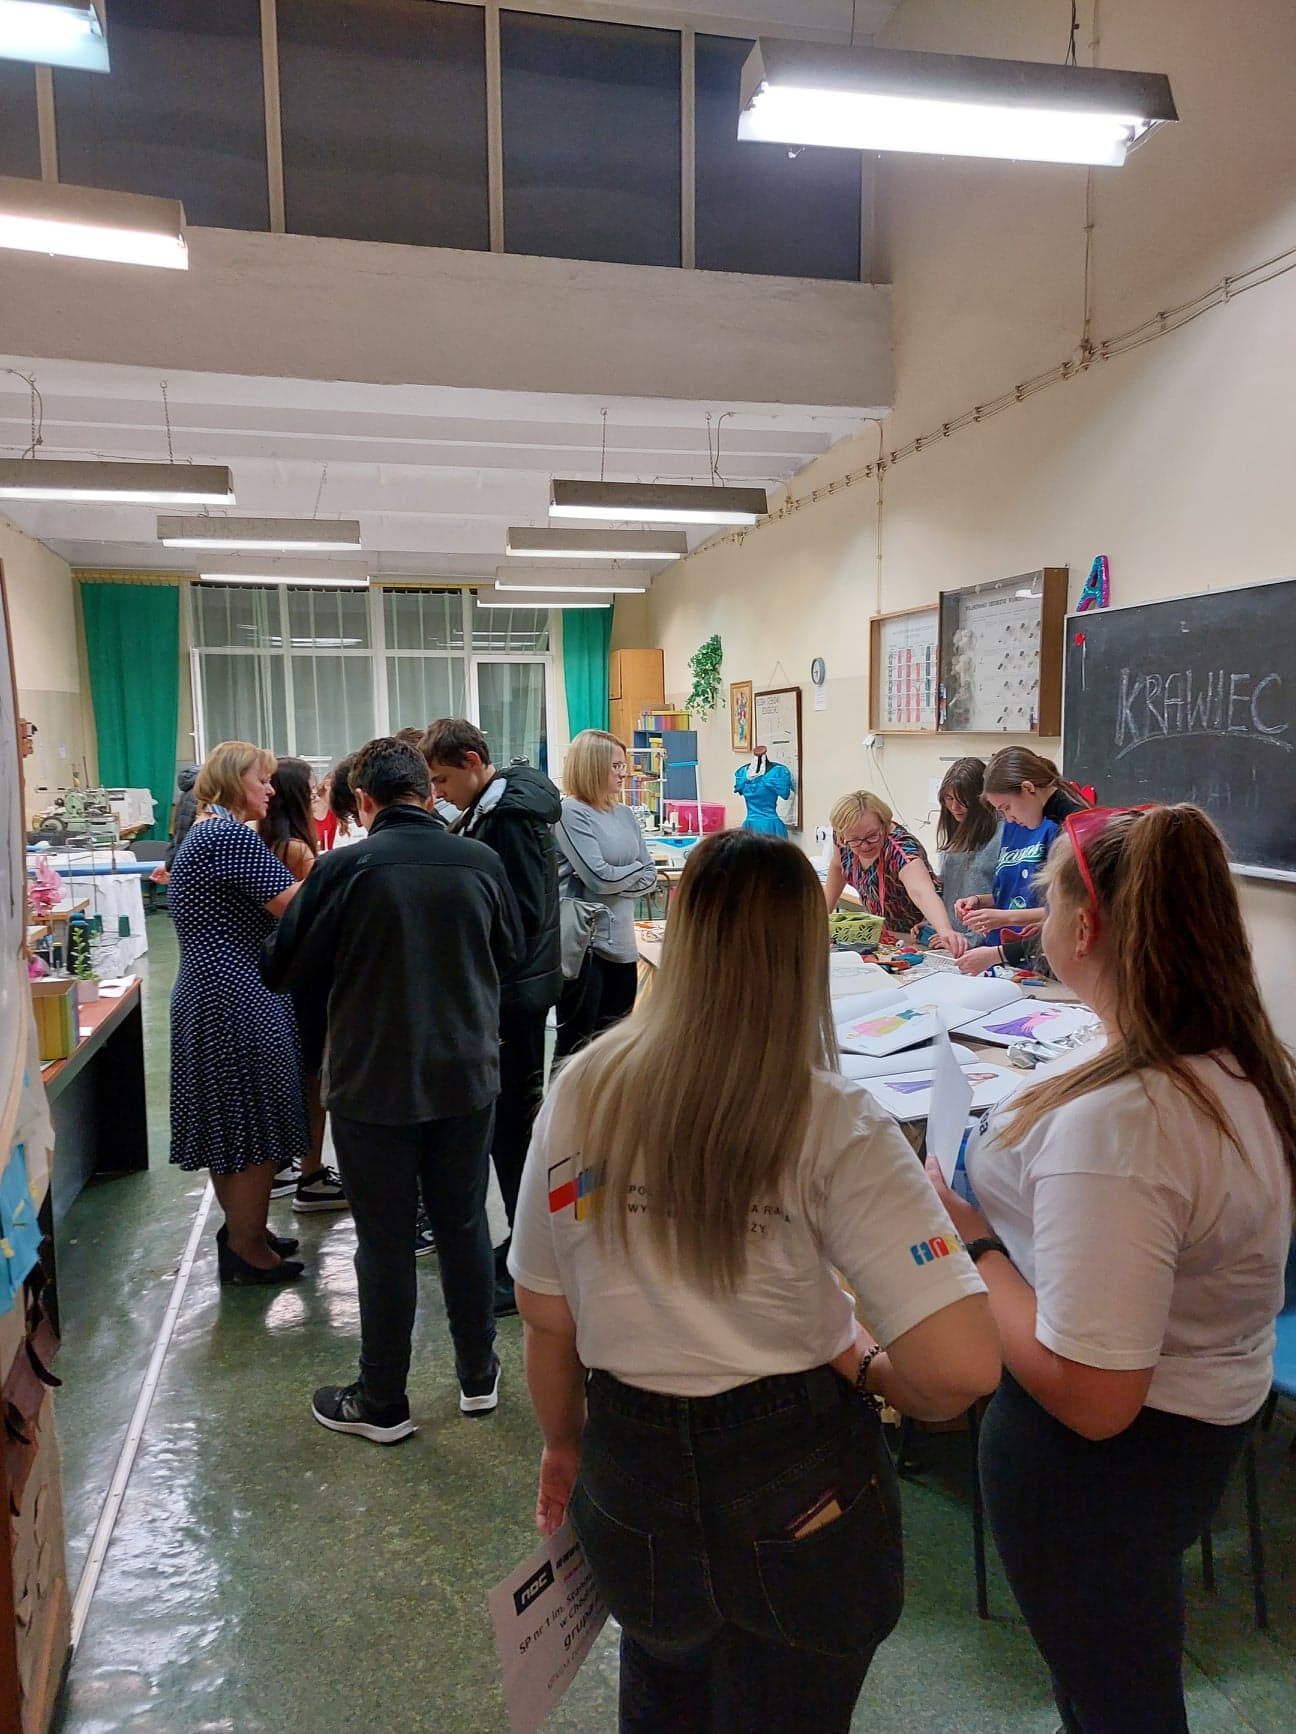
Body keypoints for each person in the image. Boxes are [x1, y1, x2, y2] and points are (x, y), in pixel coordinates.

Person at [510, 830, 1000, 1732]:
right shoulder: (836, 1120)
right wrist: (866, 1364)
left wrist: (563, 1445)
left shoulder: (582, 1092)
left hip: (629, 1467)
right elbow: (961, 1369)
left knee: (661, 1690)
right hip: (797, 1480)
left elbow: (546, 1317)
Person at [927, 804, 1295, 1734]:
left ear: (1085, 928)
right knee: (1116, 1669)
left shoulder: (1126, 1123)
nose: (1041, 920)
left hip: (1093, 1470)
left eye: (1050, 904)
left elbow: (1095, 1397)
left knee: (1116, 1695)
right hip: (1182, 1439)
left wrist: (971, 1239)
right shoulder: (1235, 1061)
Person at [262, 737, 524, 1444]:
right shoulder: (480, 862)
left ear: (363, 801)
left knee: (382, 1238)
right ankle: (479, 1374)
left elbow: (282, 968)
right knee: (464, 1223)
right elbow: (509, 954)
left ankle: (382, 1398)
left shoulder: (342, 870)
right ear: (427, 793)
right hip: (466, 1073)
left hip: (372, 1077)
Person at [421, 718, 562, 1318]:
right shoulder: (495, 809)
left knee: (513, 1132)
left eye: (442, 779)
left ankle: (529, 1258)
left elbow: (521, 911)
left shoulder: (508, 819)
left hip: (514, 993)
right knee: (509, 1128)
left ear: (474, 762)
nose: (438, 793)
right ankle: (524, 1250)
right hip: (514, 987)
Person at [168, 742, 307, 1286]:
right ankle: (247, 1246)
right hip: (236, 994)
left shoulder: (206, 832)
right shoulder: (228, 836)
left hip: (214, 990)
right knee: (252, 1122)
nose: (271, 790)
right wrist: (341, 873)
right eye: (261, 780)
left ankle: (244, 1232)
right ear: (233, 782)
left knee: (232, 1123)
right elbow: (292, 904)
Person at [258, 757, 348, 1216]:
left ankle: (285, 1165)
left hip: (282, 974)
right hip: (304, 978)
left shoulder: (265, 841)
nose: (317, 798)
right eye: (311, 791)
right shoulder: (294, 849)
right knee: (312, 1076)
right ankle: (310, 1172)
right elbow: (320, 912)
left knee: (296, 1073)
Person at [553, 729, 658, 1063]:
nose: (623, 773)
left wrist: (619, 876)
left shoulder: (624, 814)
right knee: (577, 1050)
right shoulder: (570, 812)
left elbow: (651, 875)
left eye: (623, 765)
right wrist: (632, 872)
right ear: (592, 766)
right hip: (587, 947)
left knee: (616, 1050)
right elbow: (598, 879)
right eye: (615, 766)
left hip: (623, 945)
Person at [955, 747, 1090, 975]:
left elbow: (1069, 914)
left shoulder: (1072, 830)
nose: (1009, 818)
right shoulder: (1051, 819)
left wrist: (1005, 929)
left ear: (1028, 788)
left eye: (1007, 807)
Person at [823, 789, 968, 957]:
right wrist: (822, 918)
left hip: (914, 937)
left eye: (872, 836)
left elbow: (921, 892)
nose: (864, 846)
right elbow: (837, 865)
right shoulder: (842, 837)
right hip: (882, 935)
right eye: (855, 840)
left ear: (884, 824)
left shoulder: (902, 850)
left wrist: (945, 931)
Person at [934, 758, 1003, 940]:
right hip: (954, 938)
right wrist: (932, 923)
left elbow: (1007, 898)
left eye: (963, 800)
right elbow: (948, 889)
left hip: (986, 939)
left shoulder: (1003, 833)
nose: (954, 807)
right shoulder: (955, 831)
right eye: (949, 799)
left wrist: (971, 938)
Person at [149, 763, 200, 886]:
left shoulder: (187, 793)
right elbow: (184, 836)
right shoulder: (199, 794)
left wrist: (170, 863)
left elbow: (180, 836)